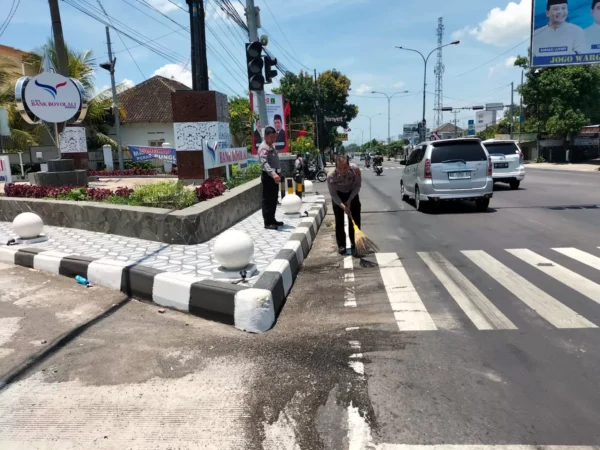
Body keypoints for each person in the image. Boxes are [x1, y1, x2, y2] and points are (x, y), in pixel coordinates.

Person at [327, 155, 362, 255]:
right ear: (336, 166)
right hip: (338, 196)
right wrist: (343, 206)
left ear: (349, 165)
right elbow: (333, 194)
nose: (343, 171)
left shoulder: (355, 170)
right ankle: (341, 245)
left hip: (352, 194)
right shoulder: (331, 176)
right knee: (339, 221)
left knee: (355, 219)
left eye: (345, 168)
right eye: (340, 168)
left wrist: (350, 200)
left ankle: (355, 243)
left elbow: (357, 186)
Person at [259, 127, 284, 230]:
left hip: (274, 176)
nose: (273, 139)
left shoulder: (271, 146)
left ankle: (272, 219)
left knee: (274, 199)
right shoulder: (264, 147)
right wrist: (273, 174)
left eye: (274, 137)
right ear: (265, 136)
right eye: (271, 137)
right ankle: (267, 222)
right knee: (268, 200)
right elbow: (264, 163)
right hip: (269, 176)